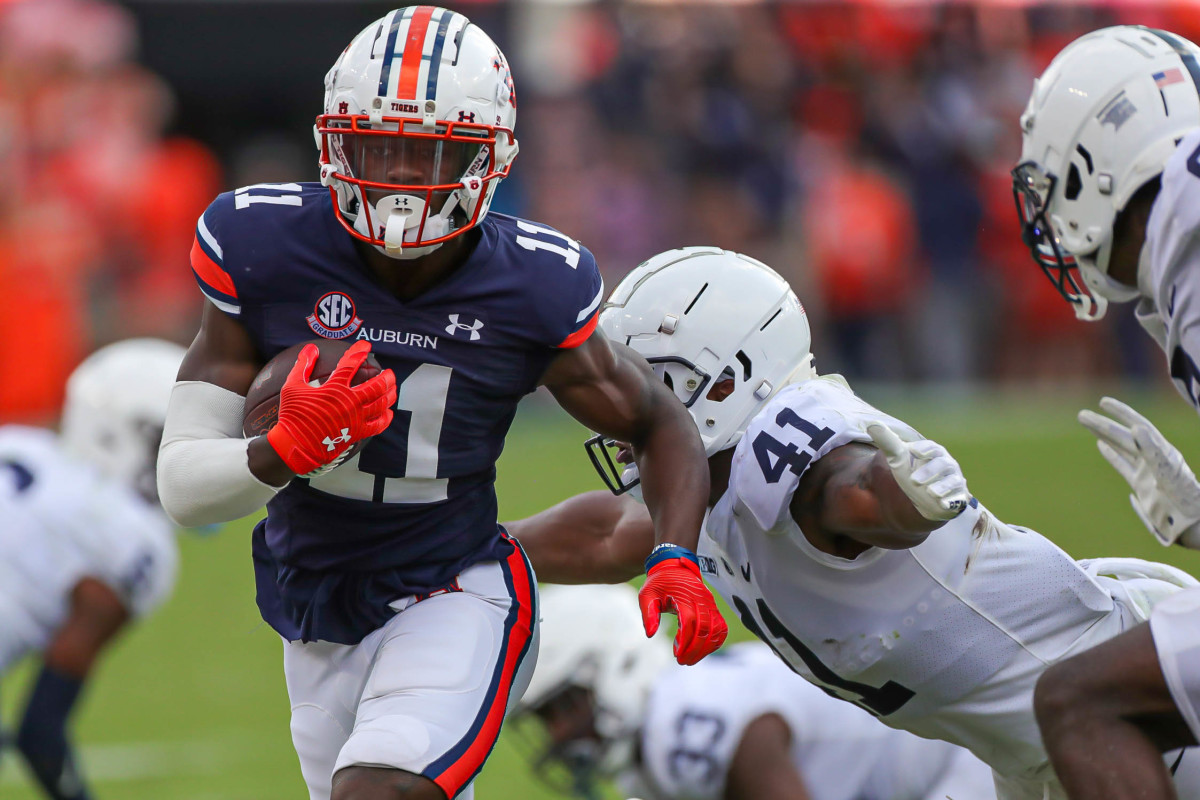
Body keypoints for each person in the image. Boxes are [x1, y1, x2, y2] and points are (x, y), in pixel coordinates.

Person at [154, 8, 726, 800]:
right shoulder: (263, 247)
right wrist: (280, 451)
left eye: (430, 156)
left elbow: (656, 419)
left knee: (379, 792)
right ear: (332, 140)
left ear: (491, 159)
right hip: (313, 599)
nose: (397, 178)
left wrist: (677, 554)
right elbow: (183, 487)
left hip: (456, 584)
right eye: (378, 146)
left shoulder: (532, 285)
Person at [508, 245, 1200, 800]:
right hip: (1033, 748)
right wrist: (466, 545)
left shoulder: (779, 442)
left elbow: (850, 488)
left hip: (1124, 699)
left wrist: (898, 496)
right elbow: (610, 534)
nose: (623, 411)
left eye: (650, 383)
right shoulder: (707, 494)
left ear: (729, 377)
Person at [1010, 24, 1200, 800]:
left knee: (1078, 701)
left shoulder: (1185, 223)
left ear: (1098, 168)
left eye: (1055, 188)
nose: (1050, 221)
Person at [509, 582, 997, 800]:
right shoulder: (659, 745)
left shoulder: (683, 725)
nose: (558, 733)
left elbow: (757, 741)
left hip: (962, 765)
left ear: (617, 666)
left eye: (563, 707)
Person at [0, 338, 184, 800]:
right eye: (174, 441)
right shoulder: (129, 538)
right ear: (118, 432)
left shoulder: (19, 444)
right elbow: (40, 732)